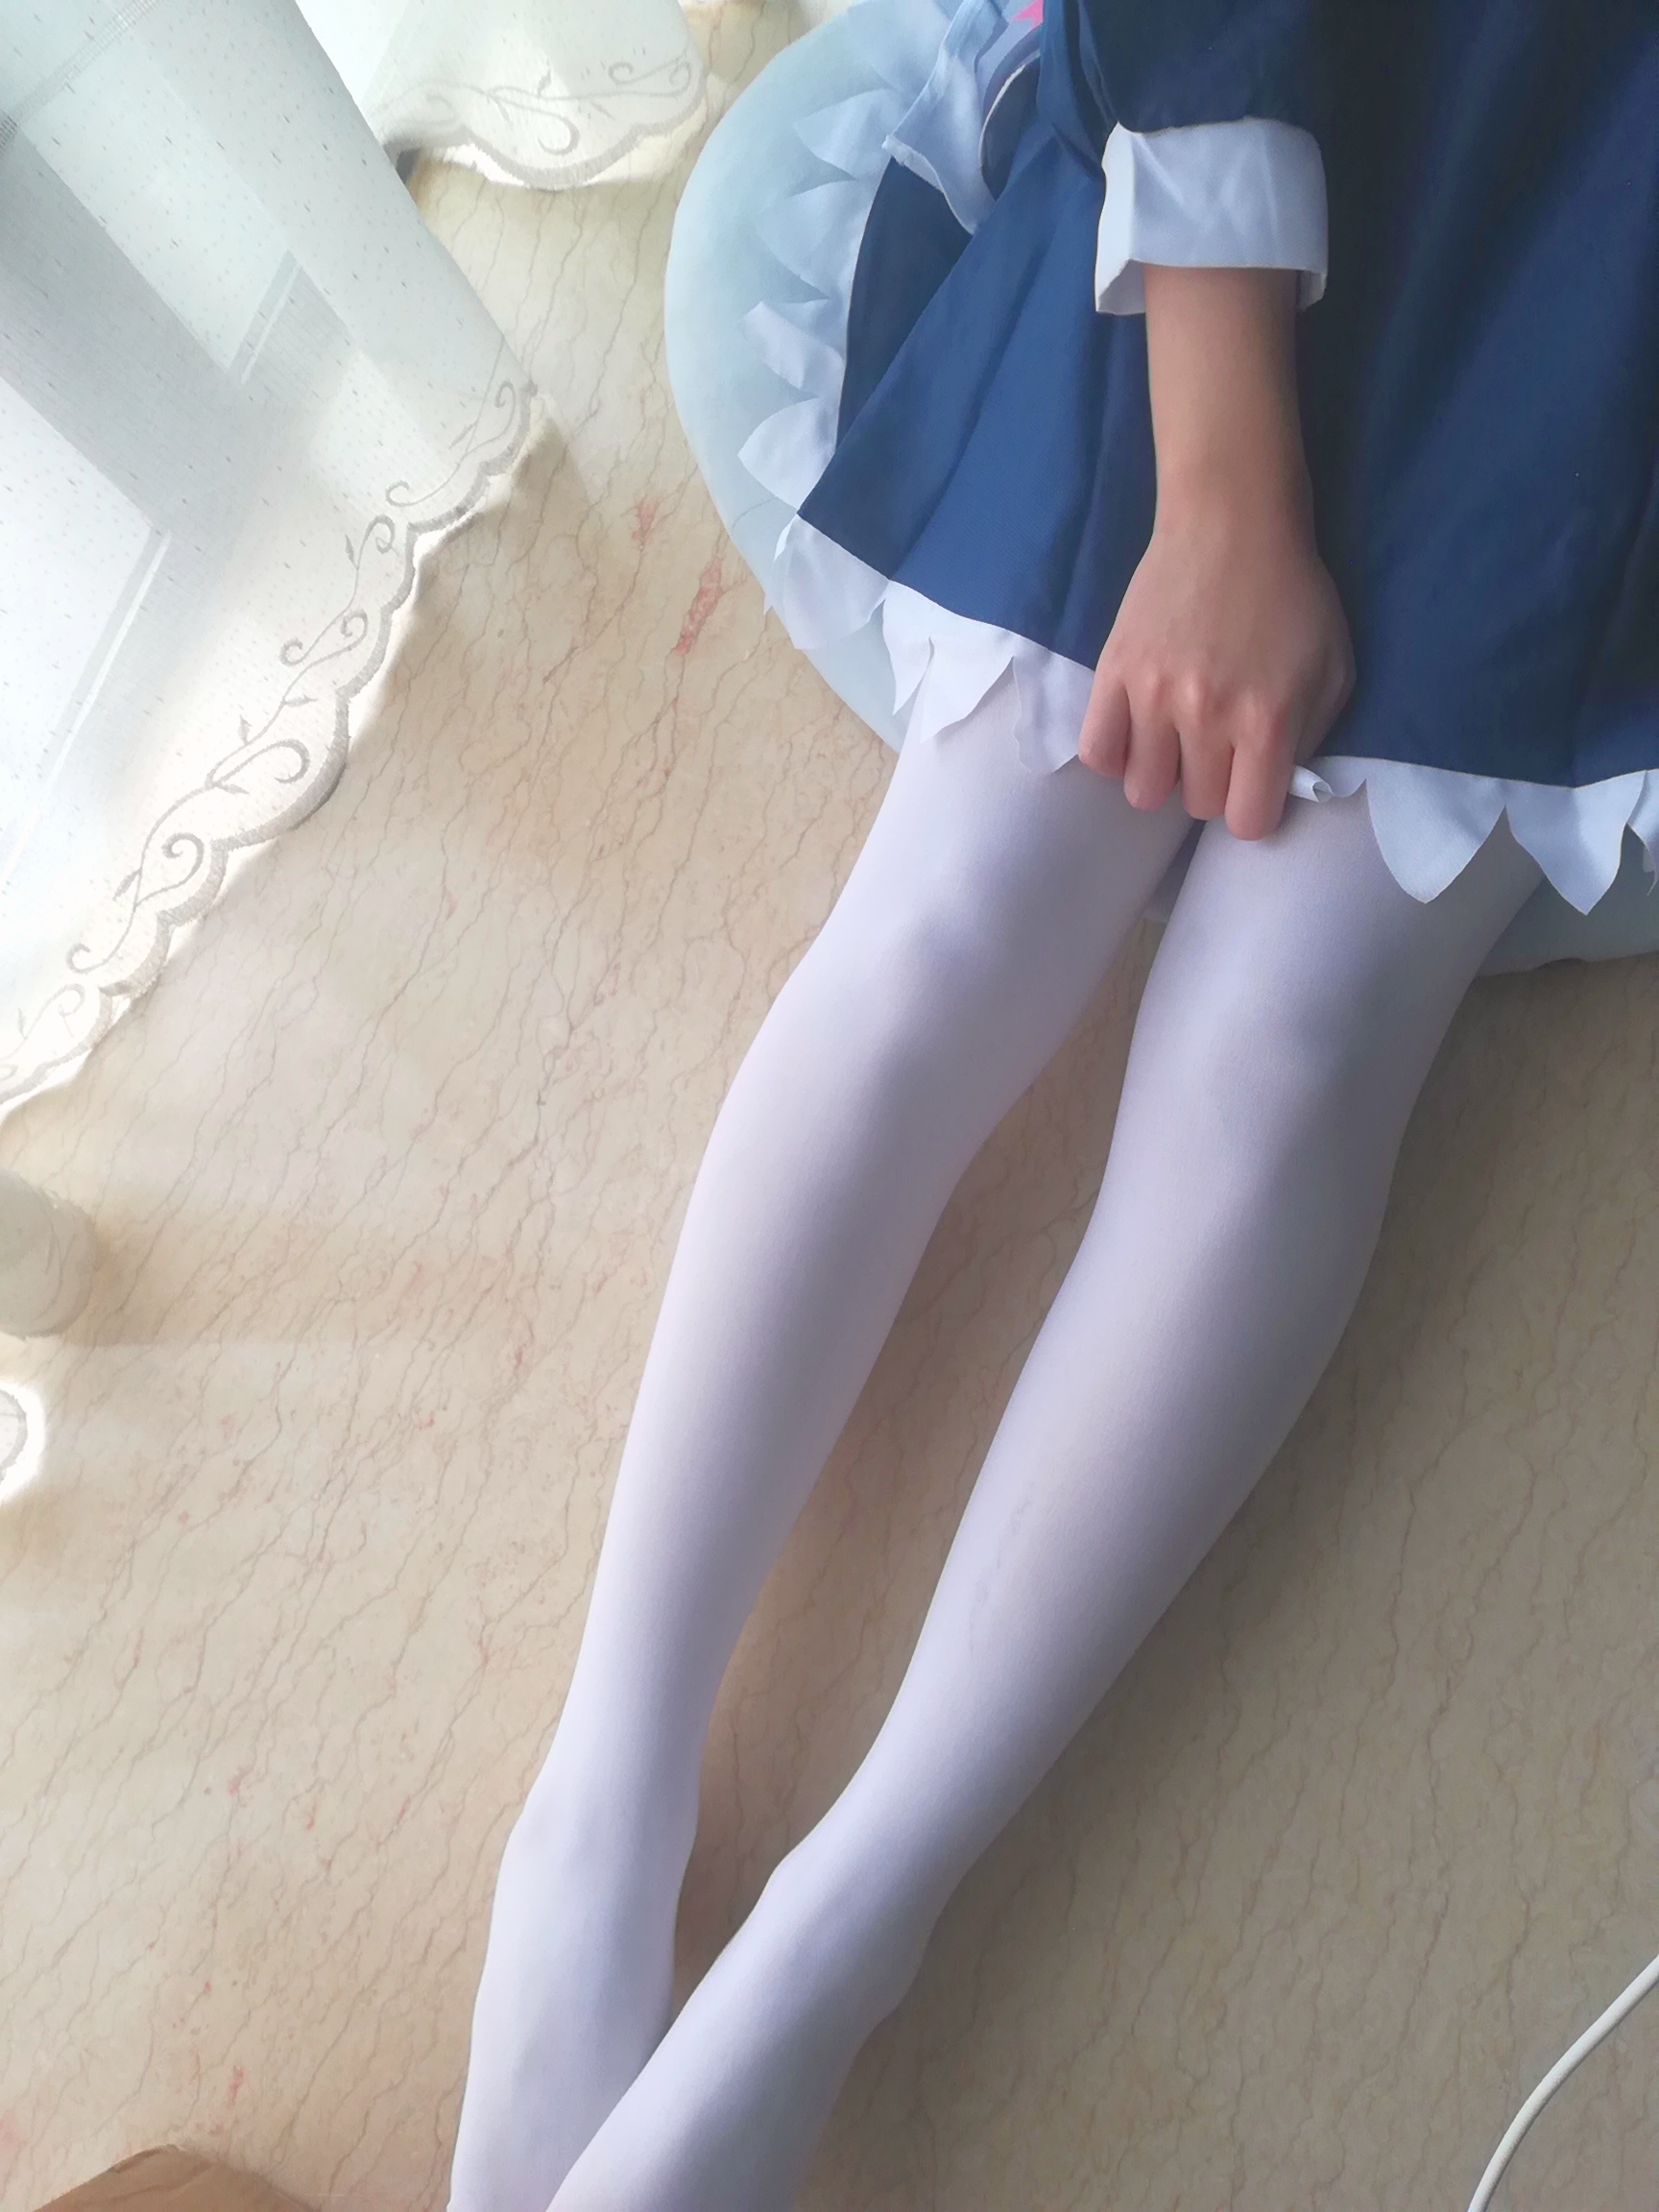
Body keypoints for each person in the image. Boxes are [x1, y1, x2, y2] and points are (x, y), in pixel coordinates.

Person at [445, 1, 1659, 2205]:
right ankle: (596, 1814)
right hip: (1261, 100)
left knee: (1284, 1044)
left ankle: (843, 1929)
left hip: (1610, 263)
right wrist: (1224, 485)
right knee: (969, 895)